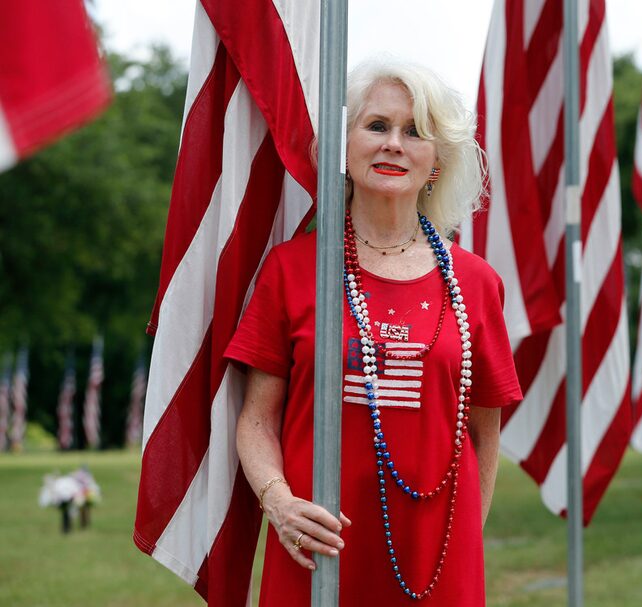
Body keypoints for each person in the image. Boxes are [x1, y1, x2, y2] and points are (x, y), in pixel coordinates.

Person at [225, 59, 522, 605]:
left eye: (415, 132)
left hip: (435, 562)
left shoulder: (477, 283)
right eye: (377, 126)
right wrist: (280, 504)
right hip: (315, 547)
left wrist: (464, 543)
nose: (394, 144)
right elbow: (257, 419)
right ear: (345, 144)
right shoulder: (292, 270)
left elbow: (484, 434)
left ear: (436, 161)